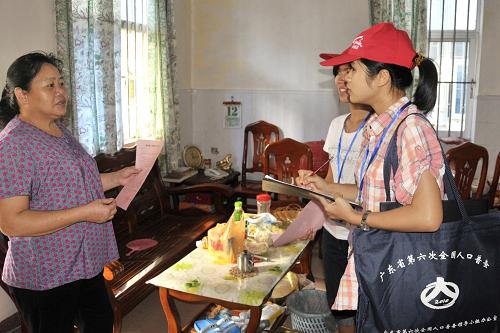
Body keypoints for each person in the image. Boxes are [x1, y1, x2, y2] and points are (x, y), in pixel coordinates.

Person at [0, 52, 140, 333]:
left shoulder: (59, 130)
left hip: (83, 263)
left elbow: (73, 183)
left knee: (101, 324)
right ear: (22, 95)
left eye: (61, 83)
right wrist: (84, 213)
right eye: (49, 85)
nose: (61, 91)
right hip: (46, 274)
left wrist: (116, 178)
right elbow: (11, 222)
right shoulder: (14, 144)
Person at [299, 22, 444, 242]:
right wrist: (326, 187)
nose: (346, 78)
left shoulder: (410, 128)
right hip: (371, 255)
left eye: (354, 69)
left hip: (392, 262)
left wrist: (357, 217)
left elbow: (428, 216)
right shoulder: (379, 126)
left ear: (382, 78)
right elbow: (369, 191)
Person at [316, 58, 371, 333]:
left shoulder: (378, 127)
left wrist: (327, 189)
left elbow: (372, 190)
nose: (341, 78)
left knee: (366, 304)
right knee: (338, 305)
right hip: (333, 230)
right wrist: (314, 189)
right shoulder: (337, 124)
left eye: (348, 71)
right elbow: (330, 179)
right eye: (338, 72)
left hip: (364, 230)